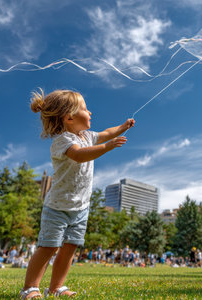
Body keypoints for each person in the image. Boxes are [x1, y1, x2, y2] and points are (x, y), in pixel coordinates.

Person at [19, 89, 135, 299]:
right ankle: (30, 288)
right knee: (48, 247)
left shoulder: (88, 136)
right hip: (58, 207)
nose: (90, 112)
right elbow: (78, 155)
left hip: (80, 208)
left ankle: (56, 288)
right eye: (84, 108)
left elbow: (108, 133)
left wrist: (123, 127)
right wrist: (107, 147)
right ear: (69, 117)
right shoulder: (62, 140)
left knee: (69, 248)